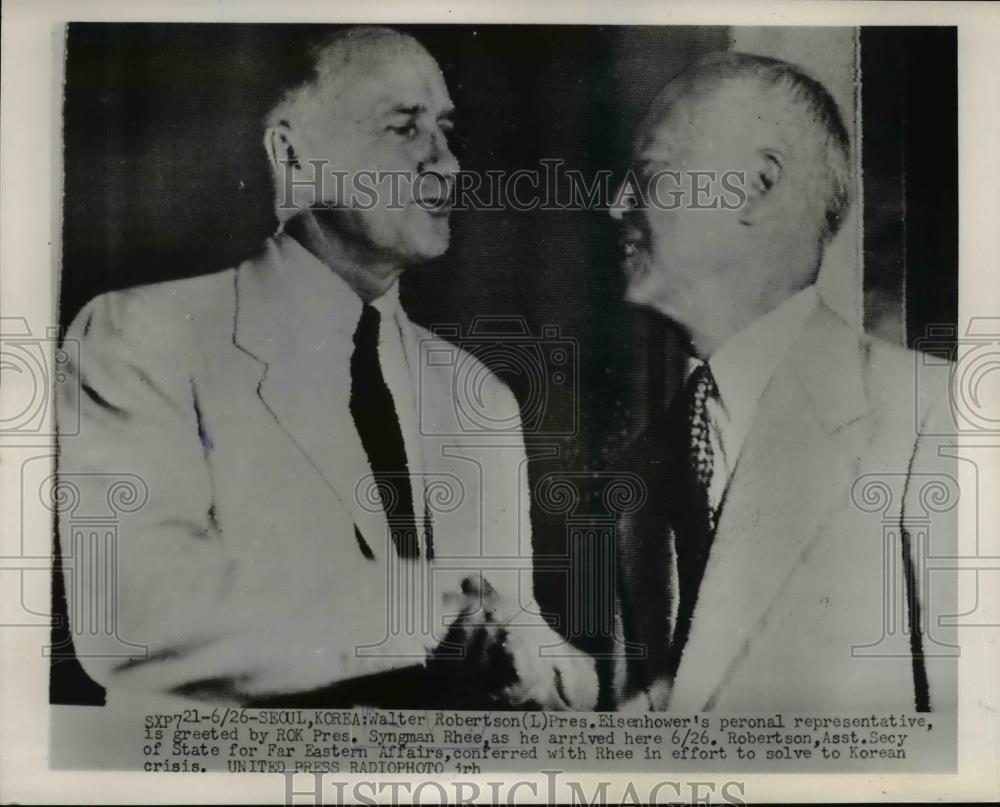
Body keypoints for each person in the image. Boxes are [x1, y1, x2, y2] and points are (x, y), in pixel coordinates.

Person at [57, 26, 596, 709]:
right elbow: (132, 612)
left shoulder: (474, 394)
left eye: (446, 130)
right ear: (293, 154)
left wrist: (563, 678)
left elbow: (502, 630)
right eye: (404, 128)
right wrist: (432, 609)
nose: (448, 163)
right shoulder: (144, 336)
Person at [604, 52, 957, 712]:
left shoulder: (935, 418)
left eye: (649, 174)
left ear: (756, 186)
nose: (617, 203)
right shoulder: (644, 469)